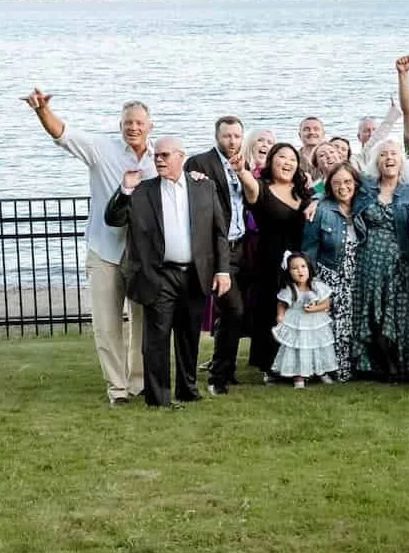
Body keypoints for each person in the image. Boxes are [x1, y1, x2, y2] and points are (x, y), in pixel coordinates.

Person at [23, 88, 151, 405]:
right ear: (120, 125)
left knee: (143, 323)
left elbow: (183, 178)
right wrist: (42, 111)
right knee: (107, 325)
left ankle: (139, 382)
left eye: (138, 123)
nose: (132, 128)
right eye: (127, 123)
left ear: (149, 125)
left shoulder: (158, 158)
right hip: (105, 251)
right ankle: (117, 389)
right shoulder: (101, 149)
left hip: (142, 256)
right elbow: (63, 134)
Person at [105, 136, 231, 408]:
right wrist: (125, 190)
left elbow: (219, 233)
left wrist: (223, 271)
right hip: (159, 275)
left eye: (165, 155)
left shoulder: (204, 187)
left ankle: (187, 389)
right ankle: (159, 397)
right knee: (156, 339)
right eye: (157, 156)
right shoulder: (142, 190)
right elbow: (113, 219)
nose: (159, 160)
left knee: (188, 336)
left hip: (195, 273)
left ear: (181, 156)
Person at [187, 115, 260, 394]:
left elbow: (251, 199)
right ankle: (217, 377)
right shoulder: (200, 163)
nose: (232, 141)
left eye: (237, 136)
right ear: (217, 136)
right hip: (217, 250)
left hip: (240, 246)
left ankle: (226, 371)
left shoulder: (243, 163)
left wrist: (243, 171)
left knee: (233, 315)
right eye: (227, 136)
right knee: (233, 308)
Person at [353, 140, 409, 380]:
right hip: (370, 260)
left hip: (402, 261)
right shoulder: (365, 187)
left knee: (400, 314)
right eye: (383, 155)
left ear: (401, 160)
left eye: (393, 154)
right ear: (377, 161)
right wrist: (316, 201)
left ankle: (400, 364)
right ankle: (378, 364)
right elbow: (330, 189)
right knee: (373, 313)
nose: (389, 158)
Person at [245, 143, 309, 380]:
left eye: (292, 158)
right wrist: (242, 169)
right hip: (269, 258)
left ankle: (297, 365)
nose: (287, 162)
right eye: (281, 157)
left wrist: (312, 201)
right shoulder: (262, 189)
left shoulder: (303, 191)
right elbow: (250, 187)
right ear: (271, 162)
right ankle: (270, 365)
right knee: (270, 310)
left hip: (299, 259)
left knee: (297, 310)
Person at [302, 161, 365, 382]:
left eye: (348, 182)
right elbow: (309, 250)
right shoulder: (321, 210)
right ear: (330, 186)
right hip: (331, 274)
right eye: (337, 183)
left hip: (358, 275)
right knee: (334, 325)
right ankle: (332, 370)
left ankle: (354, 367)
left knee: (354, 324)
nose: (343, 187)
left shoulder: (363, 205)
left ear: (356, 183)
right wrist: (311, 284)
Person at [272, 252, 339, 386]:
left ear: (309, 268)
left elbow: (326, 304)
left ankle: (321, 371)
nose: (300, 271)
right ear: (289, 272)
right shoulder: (290, 288)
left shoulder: (316, 286)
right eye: (294, 268)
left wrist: (314, 309)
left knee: (317, 346)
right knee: (298, 348)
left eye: (303, 266)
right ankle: (298, 375)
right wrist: (280, 315)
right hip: (297, 322)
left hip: (315, 322)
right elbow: (282, 303)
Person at [298, 117, 327, 182]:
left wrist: (315, 187)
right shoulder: (293, 159)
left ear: (323, 134)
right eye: (306, 129)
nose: (311, 132)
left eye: (316, 129)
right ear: (300, 135)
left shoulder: (331, 158)